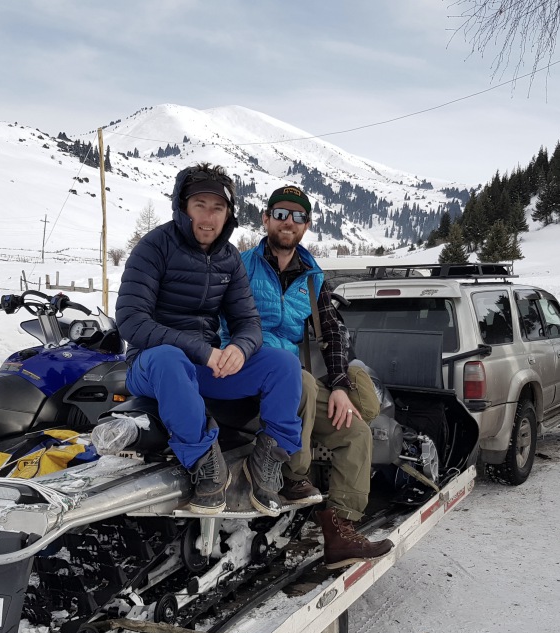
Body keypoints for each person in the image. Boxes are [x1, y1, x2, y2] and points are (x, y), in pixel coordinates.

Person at [115, 164, 303, 517]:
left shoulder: (228, 258)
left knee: (284, 364)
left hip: (203, 365)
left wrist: (239, 347)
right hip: (150, 365)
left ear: (228, 214)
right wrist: (201, 350)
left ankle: (268, 458)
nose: (208, 217)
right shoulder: (154, 247)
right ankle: (205, 464)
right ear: (183, 207)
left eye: (218, 208)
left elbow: (249, 322)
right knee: (170, 357)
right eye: (200, 204)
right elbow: (131, 321)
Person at [238, 185, 393, 569]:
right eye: (280, 213)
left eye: (297, 216)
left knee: (354, 428)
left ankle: (340, 530)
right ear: (265, 218)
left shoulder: (312, 277)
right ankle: (294, 477)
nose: (287, 222)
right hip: (245, 374)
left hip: (292, 384)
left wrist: (340, 385)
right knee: (299, 378)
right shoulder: (240, 266)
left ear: (306, 225)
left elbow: (334, 335)